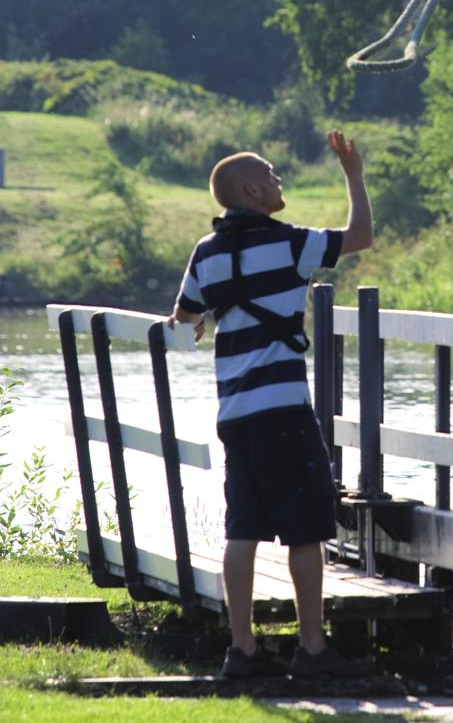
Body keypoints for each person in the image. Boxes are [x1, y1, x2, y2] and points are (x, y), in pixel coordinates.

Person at [168, 129, 373, 681]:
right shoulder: (291, 244)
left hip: (235, 415)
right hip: (284, 410)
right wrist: (353, 174)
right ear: (256, 190)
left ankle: (243, 651)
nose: (280, 179)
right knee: (306, 529)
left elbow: (182, 315)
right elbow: (360, 237)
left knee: (243, 529)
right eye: (274, 173)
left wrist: (208, 317)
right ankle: (312, 650)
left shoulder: (206, 254)